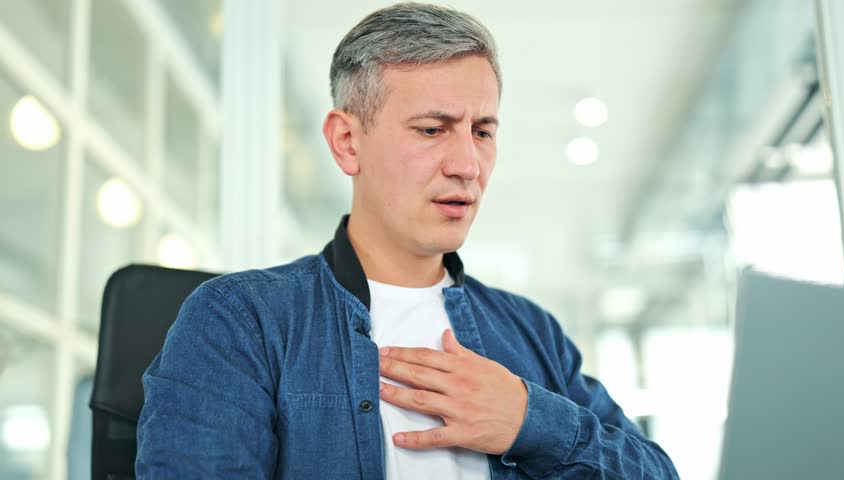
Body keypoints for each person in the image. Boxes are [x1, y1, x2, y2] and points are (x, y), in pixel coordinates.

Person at [136, 3, 679, 479]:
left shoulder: (531, 333)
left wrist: (527, 420)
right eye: (432, 129)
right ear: (348, 142)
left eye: (483, 131)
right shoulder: (243, 322)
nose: (468, 164)